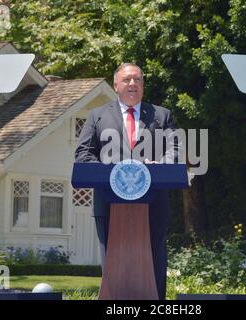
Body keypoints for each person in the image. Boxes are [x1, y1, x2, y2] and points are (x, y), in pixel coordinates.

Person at [75, 63, 179, 300]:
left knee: (154, 268)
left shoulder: (161, 116)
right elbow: (83, 154)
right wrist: (111, 170)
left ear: (143, 85)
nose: (133, 84)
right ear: (116, 85)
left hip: (153, 207)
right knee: (114, 273)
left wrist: (160, 165)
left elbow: (174, 151)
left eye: (138, 80)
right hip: (108, 206)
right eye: (127, 80)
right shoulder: (97, 115)